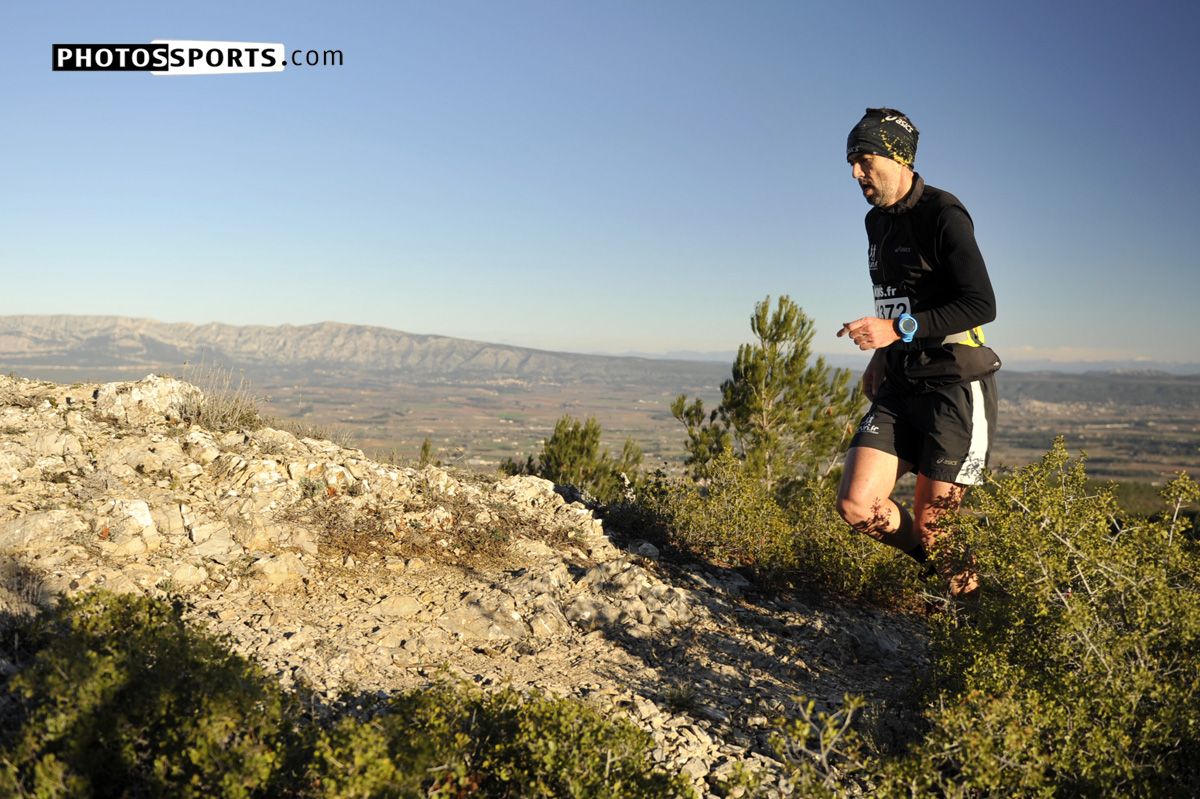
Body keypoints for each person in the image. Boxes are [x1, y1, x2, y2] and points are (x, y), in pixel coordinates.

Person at [834, 108, 1000, 595]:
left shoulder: (944, 214)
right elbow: (895, 300)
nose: (855, 173)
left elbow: (980, 304)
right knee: (857, 505)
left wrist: (895, 330)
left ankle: (976, 618)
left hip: (954, 386)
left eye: (864, 159)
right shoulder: (875, 223)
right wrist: (880, 353)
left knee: (937, 529)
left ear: (899, 156)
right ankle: (933, 572)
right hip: (901, 381)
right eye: (850, 162)